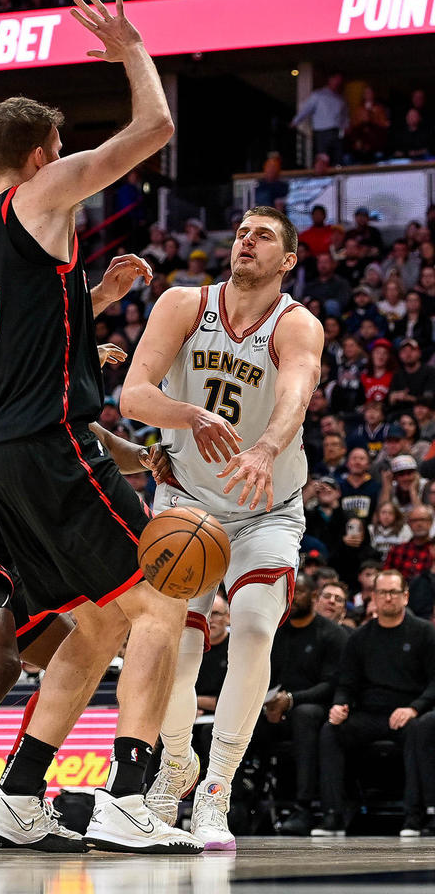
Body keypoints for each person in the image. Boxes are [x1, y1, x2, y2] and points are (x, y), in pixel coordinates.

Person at [0, 0, 201, 855]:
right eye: (61, 150)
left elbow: (11, 350)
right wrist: (133, 49)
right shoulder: (44, 189)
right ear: (39, 155)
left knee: (96, 622)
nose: (70, 165)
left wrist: (91, 299)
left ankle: (17, 794)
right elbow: (155, 129)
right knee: (163, 599)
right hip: (51, 443)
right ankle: (132, 796)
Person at [0, 336, 171, 851]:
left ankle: (18, 799)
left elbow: (92, 437)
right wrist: (73, 354)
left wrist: (149, 457)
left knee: (75, 654)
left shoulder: (43, 396)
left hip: (5, 548)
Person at [122, 204, 324, 849]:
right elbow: (133, 395)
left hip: (266, 500)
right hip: (186, 500)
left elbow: (297, 392)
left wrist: (263, 449)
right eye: (240, 232)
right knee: (172, 641)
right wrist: (192, 416)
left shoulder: (297, 325)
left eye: (262, 236)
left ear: (287, 259)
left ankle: (218, 788)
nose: (245, 242)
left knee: (258, 625)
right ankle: (175, 764)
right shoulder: (183, 303)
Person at [312, 570, 435, 837]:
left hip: (407, 712)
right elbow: (347, 682)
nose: (387, 598)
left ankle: (414, 817)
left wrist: (414, 707)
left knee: (419, 729)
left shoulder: (425, 633)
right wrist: (340, 704)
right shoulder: (360, 637)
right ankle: (333, 815)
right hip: (369, 713)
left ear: (405, 596)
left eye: (393, 592)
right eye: (381, 592)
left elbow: (433, 683)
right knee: (331, 730)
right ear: (374, 597)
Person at [251, 574, 347, 836]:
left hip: (316, 708)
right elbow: (264, 674)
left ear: (314, 598)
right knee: (238, 721)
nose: (292, 599)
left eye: (300, 592)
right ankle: (239, 803)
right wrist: (269, 703)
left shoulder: (332, 634)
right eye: (290, 593)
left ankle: (303, 807)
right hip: (275, 708)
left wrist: (291, 700)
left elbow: (332, 684)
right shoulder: (276, 633)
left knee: (305, 716)